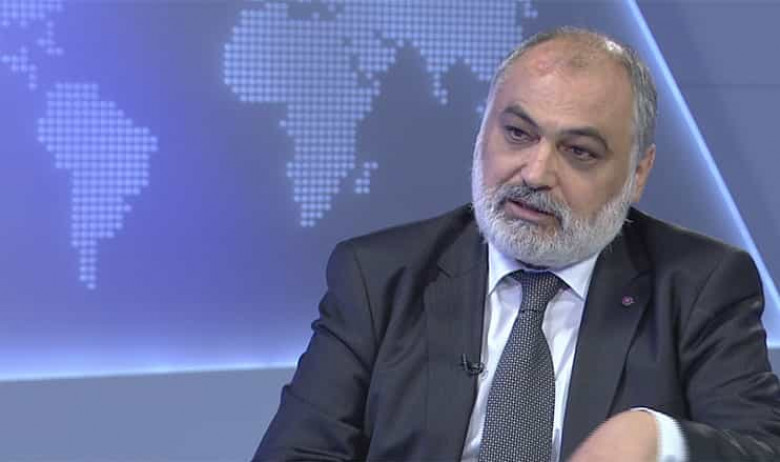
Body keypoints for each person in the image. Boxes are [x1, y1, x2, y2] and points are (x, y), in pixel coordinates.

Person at [254, 27, 780, 461]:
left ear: (638, 172)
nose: (535, 173)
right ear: (482, 130)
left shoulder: (700, 285)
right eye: (518, 134)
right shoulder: (378, 276)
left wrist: (659, 439)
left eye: (579, 151)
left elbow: (763, 449)